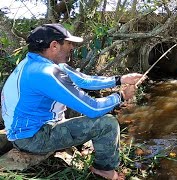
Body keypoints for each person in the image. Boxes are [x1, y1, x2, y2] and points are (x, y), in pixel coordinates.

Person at [1, 23, 145, 180]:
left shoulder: (37, 63)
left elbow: (84, 80)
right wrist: (121, 96)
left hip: (26, 130)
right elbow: (93, 108)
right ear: (54, 46)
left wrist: (120, 79)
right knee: (107, 124)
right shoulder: (45, 73)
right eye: (69, 43)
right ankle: (104, 170)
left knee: (76, 103)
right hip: (31, 139)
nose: (72, 47)